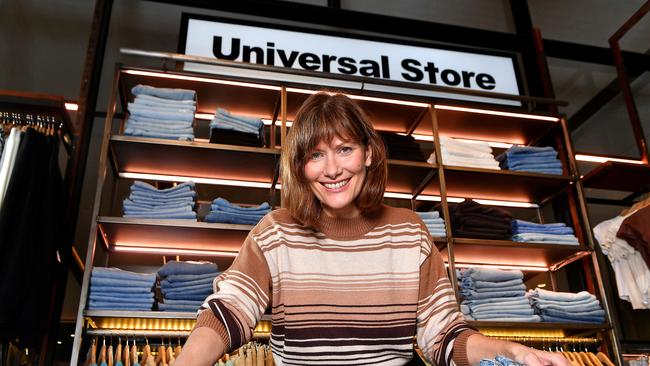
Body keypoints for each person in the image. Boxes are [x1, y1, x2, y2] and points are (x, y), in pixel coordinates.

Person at [175, 92, 570, 366]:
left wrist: (514, 353)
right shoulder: (275, 231)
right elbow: (229, 312)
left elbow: (445, 336)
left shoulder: (409, 233)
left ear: (368, 154)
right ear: (299, 167)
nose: (332, 169)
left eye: (345, 149)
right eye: (316, 155)